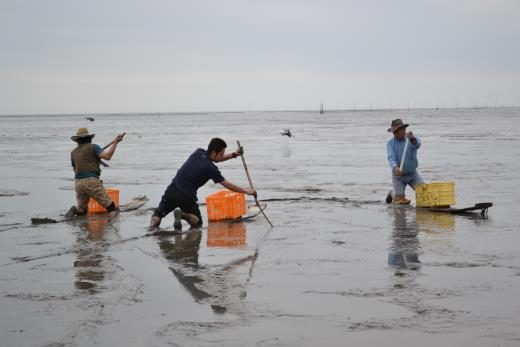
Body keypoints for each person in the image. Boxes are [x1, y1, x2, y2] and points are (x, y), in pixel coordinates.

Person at [149, 138, 256, 231]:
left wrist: (234, 155)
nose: (222, 156)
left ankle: (151, 230)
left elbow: (217, 159)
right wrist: (247, 191)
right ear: (214, 152)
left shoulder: (198, 152)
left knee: (158, 214)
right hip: (186, 196)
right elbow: (228, 185)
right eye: (221, 154)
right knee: (198, 222)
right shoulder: (211, 169)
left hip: (172, 189)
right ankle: (182, 215)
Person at [65, 128, 125, 218]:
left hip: (78, 182)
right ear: (89, 138)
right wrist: (116, 142)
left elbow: (75, 169)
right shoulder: (93, 147)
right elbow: (107, 156)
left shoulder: (73, 152)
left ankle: (75, 210)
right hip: (91, 181)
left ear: (77, 140)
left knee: (82, 209)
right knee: (112, 208)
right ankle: (110, 229)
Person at [386, 119, 424, 204]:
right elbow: (391, 158)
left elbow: (417, 145)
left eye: (397, 131)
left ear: (403, 130)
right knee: (400, 201)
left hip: (413, 174)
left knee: (424, 194)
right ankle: (392, 194)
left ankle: (395, 193)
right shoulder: (390, 144)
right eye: (394, 132)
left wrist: (412, 139)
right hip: (399, 176)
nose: (395, 133)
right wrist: (396, 168)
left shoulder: (411, 137)